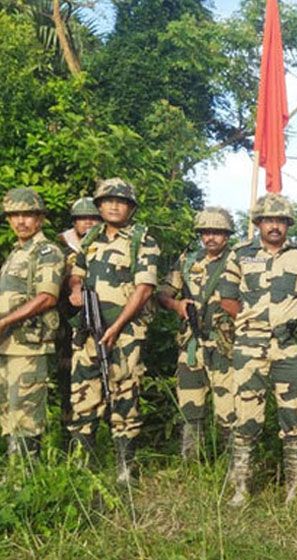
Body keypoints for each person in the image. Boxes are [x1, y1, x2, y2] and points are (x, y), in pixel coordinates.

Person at [219, 193, 297, 506]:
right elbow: (226, 297)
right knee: (247, 417)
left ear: (287, 224)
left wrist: (287, 320)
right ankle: (242, 489)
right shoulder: (239, 254)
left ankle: (293, 487)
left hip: (289, 348)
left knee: (292, 416)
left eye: (280, 221)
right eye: (268, 220)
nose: (274, 226)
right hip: (249, 347)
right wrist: (253, 322)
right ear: (259, 223)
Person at [67, 178, 160, 485]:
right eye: (108, 201)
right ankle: (83, 470)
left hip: (125, 335)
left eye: (120, 201)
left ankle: (125, 470)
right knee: (84, 398)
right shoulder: (90, 237)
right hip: (88, 333)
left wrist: (116, 327)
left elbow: (144, 289)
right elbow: (77, 273)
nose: (114, 205)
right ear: (99, 206)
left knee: (123, 397)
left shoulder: (142, 239)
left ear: (130, 207)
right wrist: (76, 290)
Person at [157, 207, 238, 459]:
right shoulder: (188, 261)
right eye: (205, 232)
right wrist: (176, 305)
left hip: (225, 345)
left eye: (216, 232)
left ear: (227, 235)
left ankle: (232, 467)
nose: (210, 238)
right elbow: (163, 293)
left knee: (229, 411)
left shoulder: (238, 261)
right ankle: (192, 465)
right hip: (192, 344)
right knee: (190, 407)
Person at [0, 188, 63, 457]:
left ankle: (26, 481)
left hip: (29, 344)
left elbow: (47, 297)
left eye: (27, 214)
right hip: (7, 343)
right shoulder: (16, 253)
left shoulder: (47, 251)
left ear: (40, 219)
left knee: (26, 415)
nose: (20, 221)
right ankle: (14, 478)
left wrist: (4, 322)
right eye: (14, 215)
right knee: (8, 412)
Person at [55, 197, 102, 441]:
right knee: (68, 383)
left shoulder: (103, 246)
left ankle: (90, 437)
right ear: (74, 222)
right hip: (67, 325)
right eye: (83, 218)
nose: (88, 223)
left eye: (93, 218)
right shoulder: (61, 249)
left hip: (97, 322)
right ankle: (69, 438)